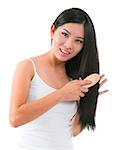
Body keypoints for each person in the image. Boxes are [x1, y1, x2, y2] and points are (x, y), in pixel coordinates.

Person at [9, 8, 108, 150]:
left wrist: (88, 99)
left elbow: (73, 131)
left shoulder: (73, 78)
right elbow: (15, 118)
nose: (68, 45)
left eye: (78, 41)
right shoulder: (29, 67)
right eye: (65, 34)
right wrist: (61, 94)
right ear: (52, 30)